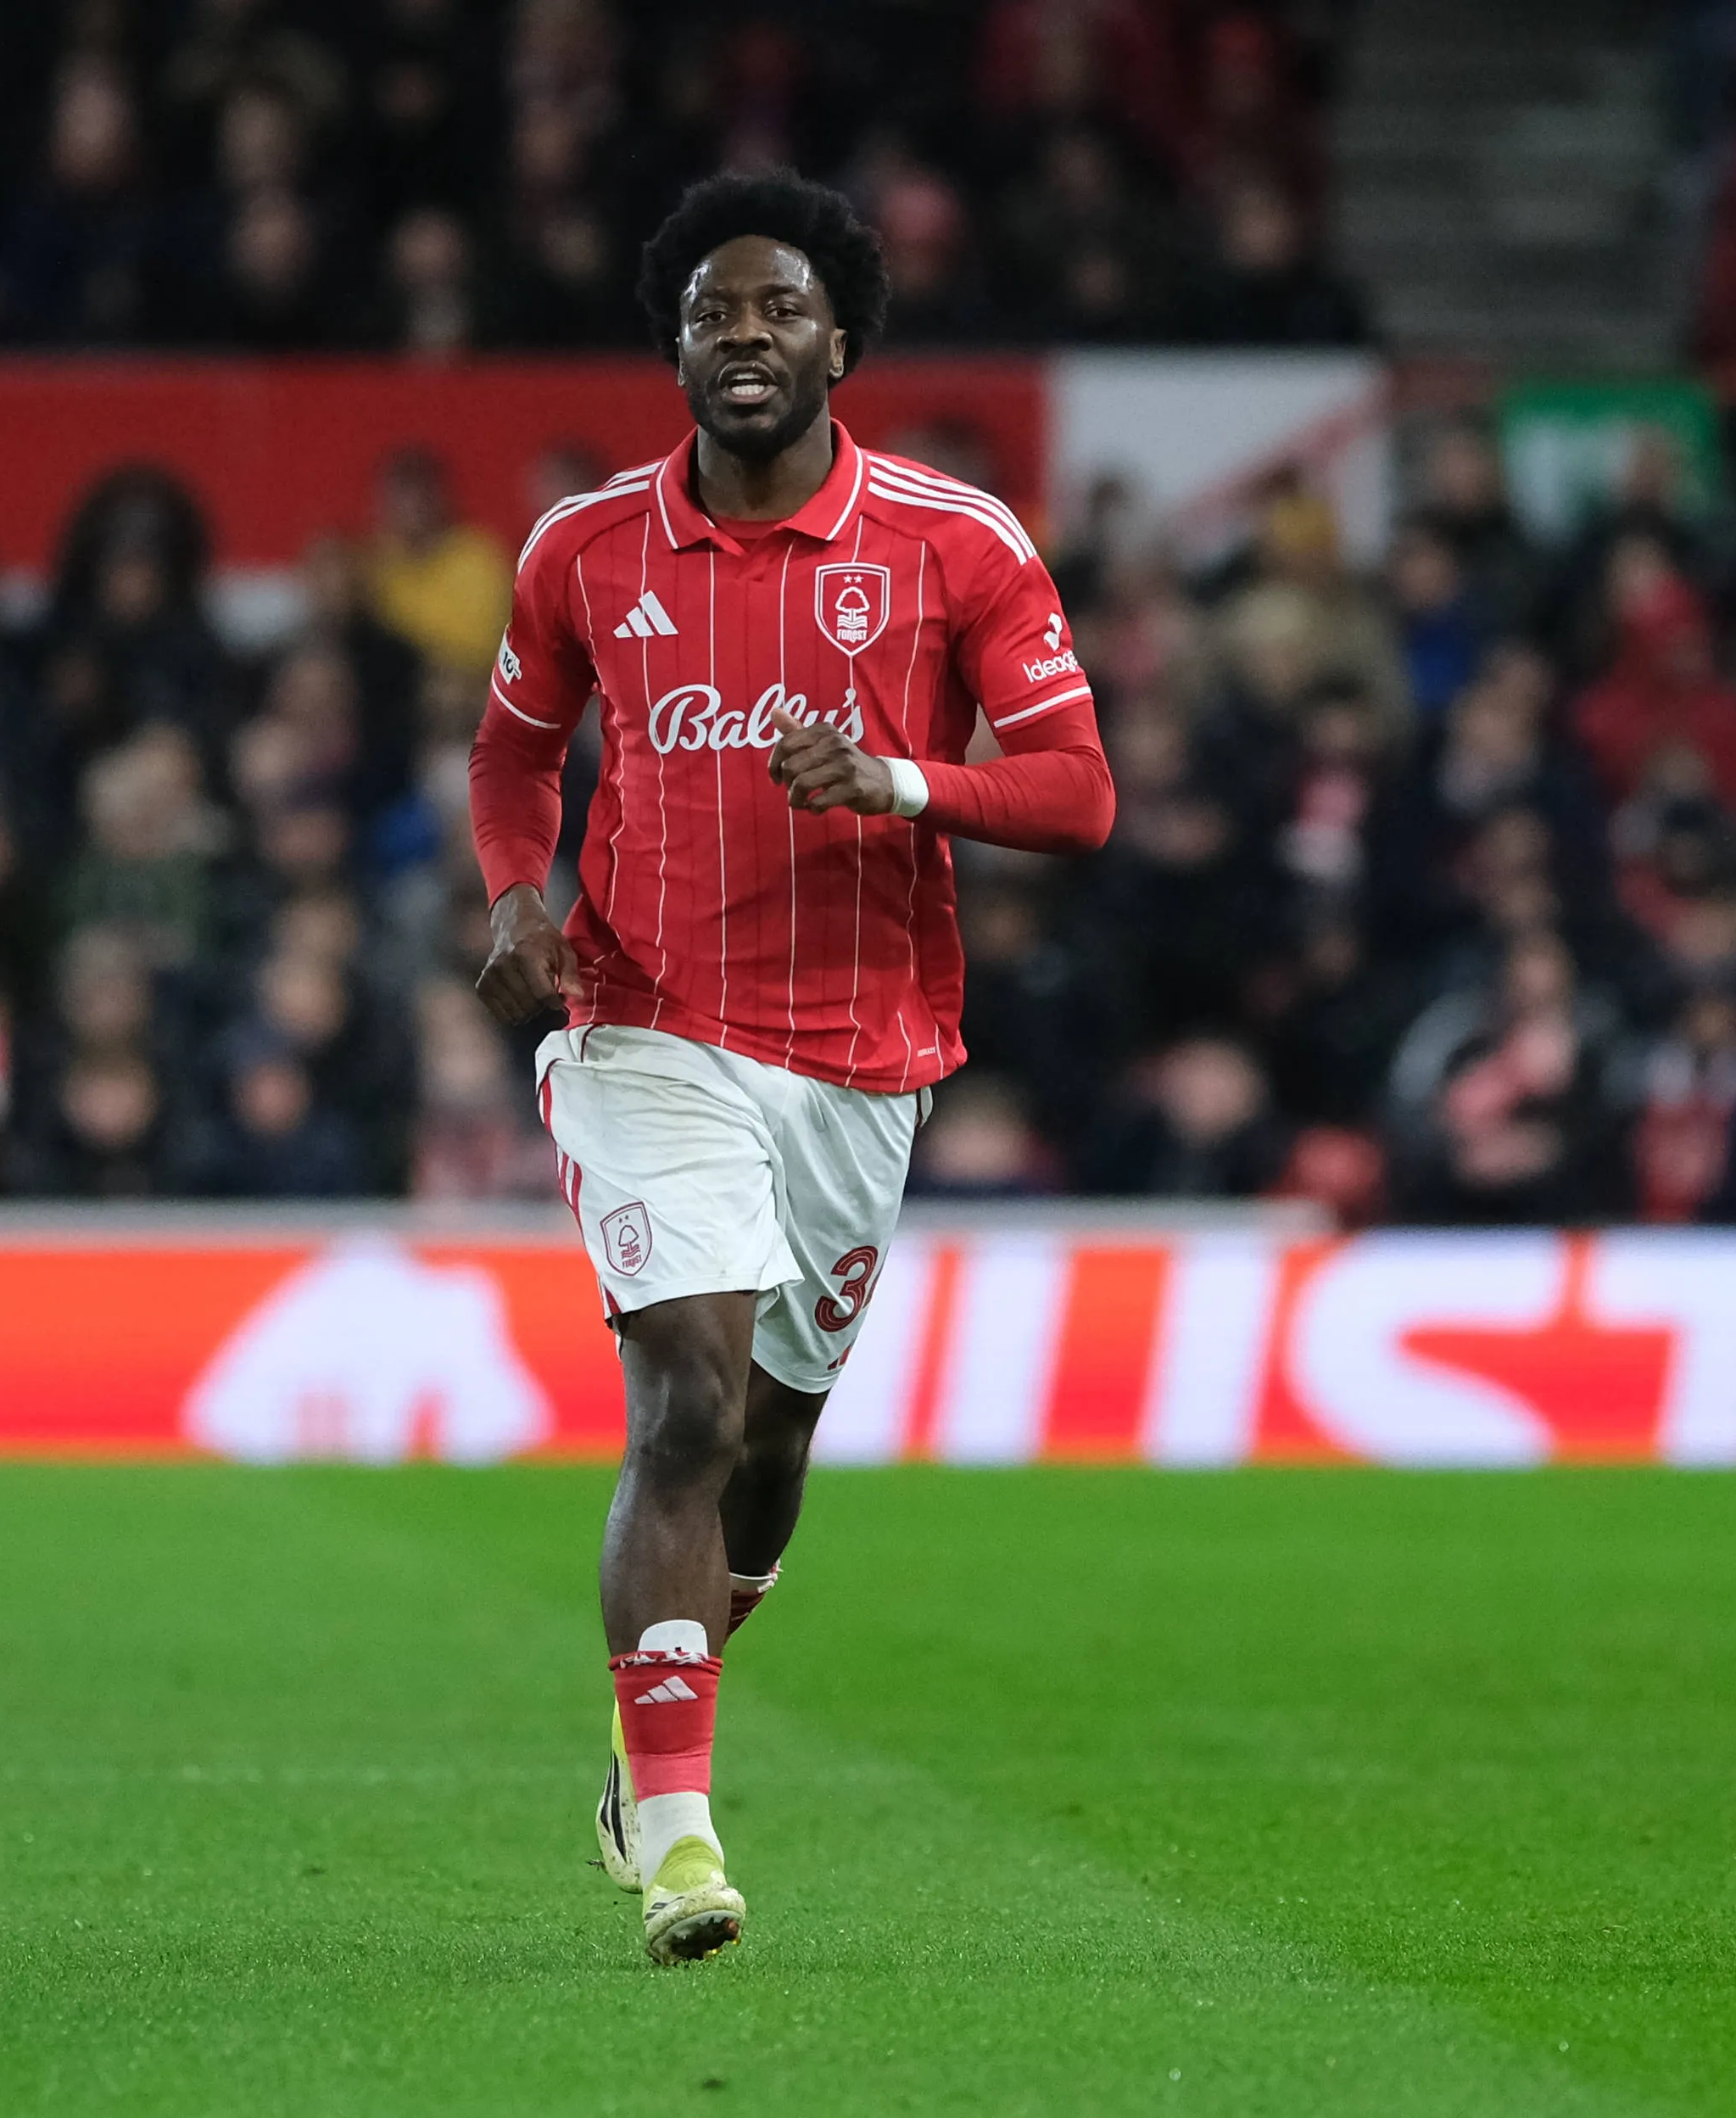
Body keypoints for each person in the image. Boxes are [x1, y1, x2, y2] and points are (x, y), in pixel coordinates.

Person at [468, 172, 1114, 1964]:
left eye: (778, 311)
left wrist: (907, 780)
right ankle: (676, 1834)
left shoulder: (952, 544)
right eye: (710, 314)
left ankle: (645, 1719)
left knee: (764, 1444)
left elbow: (1080, 793)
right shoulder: (584, 548)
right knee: (683, 1398)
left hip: (861, 1055)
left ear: (843, 339)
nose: (741, 338)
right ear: (675, 343)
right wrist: (520, 895)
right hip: (644, 1022)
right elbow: (516, 757)